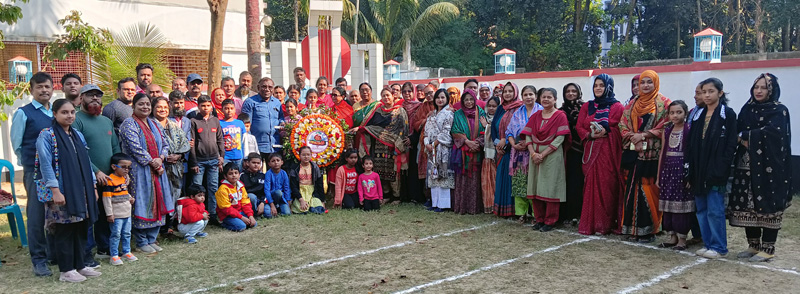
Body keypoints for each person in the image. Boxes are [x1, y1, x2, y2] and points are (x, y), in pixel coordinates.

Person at [36, 99, 101, 282]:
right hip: (62, 189)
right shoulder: (47, 135)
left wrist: (93, 186)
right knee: (65, 228)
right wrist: (55, 190)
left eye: (72, 112)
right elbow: (45, 164)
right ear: (54, 114)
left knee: (80, 226)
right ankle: (66, 270)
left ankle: (80, 265)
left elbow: (86, 161)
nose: (69, 116)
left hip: (82, 189)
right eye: (64, 112)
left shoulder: (77, 135)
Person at [729, 73, 792, 262]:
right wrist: (743, 136)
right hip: (745, 166)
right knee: (748, 205)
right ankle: (753, 245)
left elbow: (775, 134)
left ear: (771, 90)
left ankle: (768, 248)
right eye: (756, 87)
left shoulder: (779, 110)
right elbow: (736, 131)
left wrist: (747, 135)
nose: (758, 91)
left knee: (768, 204)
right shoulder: (747, 109)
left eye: (763, 87)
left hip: (769, 167)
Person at [686, 77, 738, 259]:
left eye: (711, 91)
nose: (707, 95)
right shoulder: (698, 114)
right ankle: (707, 243)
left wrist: (722, 167)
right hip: (698, 168)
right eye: (704, 92)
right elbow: (691, 143)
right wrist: (689, 167)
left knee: (715, 209)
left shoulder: (727, 115)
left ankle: (719, 246)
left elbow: (731, 144)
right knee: (701, 208)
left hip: (716, 169)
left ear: (720, 93)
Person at [11, 72, 55, 277]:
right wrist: (29, 164)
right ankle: (39, 259)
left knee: (57, 213)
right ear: (32, 90)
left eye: (47, 86)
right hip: (35, 172)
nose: (44, 90)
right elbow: (17, 144)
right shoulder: (24, 113)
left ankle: (54, 254)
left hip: (58, 171)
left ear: (53, 88)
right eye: (40, 87)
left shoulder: (55, 112)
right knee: (37, 215)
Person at [619, 70, 671, 243]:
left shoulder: (664, 104)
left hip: (652, 155)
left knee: (648, 189)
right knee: (632, 189)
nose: (645, 85)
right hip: (633, 153)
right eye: (642, 82)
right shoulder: (633, 103)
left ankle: (650, 230)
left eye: (649, 82)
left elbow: (667, 125)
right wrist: (632, 136)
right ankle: (631, 229)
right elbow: (622, 124)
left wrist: (644, 135)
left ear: (655, 83)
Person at [119, 93, 174, 253]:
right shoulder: (129, 124)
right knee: (143, 202)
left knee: (159, 201)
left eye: (147, 104)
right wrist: (154, 162)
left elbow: (164, 143)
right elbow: (135, 147)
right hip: (140, 171)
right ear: (133, 106)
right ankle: (141, 241)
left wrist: (161, 157)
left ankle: (152, 238)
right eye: (141, 104)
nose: (145, 107)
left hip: (157, 170)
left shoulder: (154, 123)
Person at [72, 84, 120, 265]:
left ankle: (104, 247)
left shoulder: (106, 121)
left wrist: (118, 170)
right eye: (90, 95)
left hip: (109, 177)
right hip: (88, 177)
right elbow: (79, 151)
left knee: (105, 212)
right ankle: (86, 253)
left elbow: (115, 147)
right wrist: (96, 171)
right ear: (81, 98)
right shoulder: (77, 120)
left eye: (98, 96)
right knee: (89, 215)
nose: (94, 99)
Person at [577, 74, 624, 236]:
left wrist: (608, 130)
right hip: (590, 151)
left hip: (608, 153)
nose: (598, 88)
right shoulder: (587, 106)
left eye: (601, 85)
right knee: (590, 187)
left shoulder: (617, 107)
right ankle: (590, 224)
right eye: (596, 85)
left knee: (607, 187)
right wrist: (590, 135)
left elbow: (620, 128)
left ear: (608, 87)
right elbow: (579, 127)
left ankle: (605, 224)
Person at [521, 88, 570, 232]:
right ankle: (539, 219)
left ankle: (550, 221)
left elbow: (560, 138)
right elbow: (528, 134)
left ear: (555, 99)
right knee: (535, 186)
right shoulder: (536, 115)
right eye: (544, 97)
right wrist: (533, 153)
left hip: (552, 156)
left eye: (549, 97)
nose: (546, 99)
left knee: (550, 188)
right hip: (534, 156)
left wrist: (543, 154)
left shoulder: (560, 116)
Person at [352, 89, 409, 203]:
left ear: (393, 96)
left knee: (393, 171)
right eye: (383, 96)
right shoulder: (377, 111)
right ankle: (386, 195)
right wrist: (361, 129)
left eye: (388, 95)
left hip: (394, 145)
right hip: (379, 145)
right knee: (380, 169)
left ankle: (396, 197)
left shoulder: (400, 110)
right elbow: (372, 126)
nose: (386, 98)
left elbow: (404, 128)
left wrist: (400, 141)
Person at [656, 100, 693, 251]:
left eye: (679, 112)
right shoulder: (666, 131)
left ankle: (682, 240)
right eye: (672, 112)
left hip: (681, 171)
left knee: (681, 206)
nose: (675, 115)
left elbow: (692, 154)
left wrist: (689, 175)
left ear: (685, 113)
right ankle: (672, 237)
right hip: (667, 171)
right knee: (668, 205)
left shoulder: (689, 129)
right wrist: (659, 176)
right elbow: (662, 154)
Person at [508, 86, 542, 222]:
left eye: (531, 94)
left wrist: (529, 144)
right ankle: (521, 212)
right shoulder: (517, 113)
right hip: (519, 154)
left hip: (535, 152)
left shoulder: (541, 111)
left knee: (534, 183)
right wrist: (514, 145)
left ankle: (535, 213)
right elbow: (509, 132)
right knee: (519, 183)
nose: (528, 97)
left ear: (535, 95)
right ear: (522, 97)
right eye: (525, 95)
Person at [189, 95, 225, 223]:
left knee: (213, 187)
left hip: (214, 160)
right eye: (203, 105)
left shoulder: (215, 120)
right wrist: (193, 162)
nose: (205, 108)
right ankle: (196, 214)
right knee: (197, 188)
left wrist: (221, 157)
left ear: (211, 106)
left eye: (208, 105)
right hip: (199, 161)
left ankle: (213, 214)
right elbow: (191, 144)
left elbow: (220, 140)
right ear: (198, 106)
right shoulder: (193, 121)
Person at [450, 89, 486, 215]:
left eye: (471, 99)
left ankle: (474, 207)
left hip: (477, 151)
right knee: (462, 179)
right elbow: (455, 131)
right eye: (466, 100)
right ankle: (462, 206)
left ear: (475, 99)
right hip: (462, 153)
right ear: (462, 101)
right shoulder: (458, 114)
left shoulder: (481, 113)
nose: (469, 102)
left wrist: (477, 143)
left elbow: (485, 130)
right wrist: (467, 142)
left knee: (475, 180)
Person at [492, 82, 524, 217]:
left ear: (516, 92)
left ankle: (515, 211)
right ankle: (502, 209)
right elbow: (493, 127)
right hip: (500, 149)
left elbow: (519, 129)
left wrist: (506, 144)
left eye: (511, 91)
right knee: (501, 178)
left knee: (513, 179)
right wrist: (497, 144)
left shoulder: (520, 108)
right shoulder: (500, 108)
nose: (507, 94)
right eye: (505, 91)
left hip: (514, 149)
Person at [151, 97, 190, 210]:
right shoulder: (149, 125)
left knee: (175, 193)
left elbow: (185, 143)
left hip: (175, 167)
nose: (162, 110)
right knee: (159, 194)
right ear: (153, 109)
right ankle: (161, 223)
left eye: (165, 107)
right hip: (157, 166)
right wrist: (163, 157)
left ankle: (171, 220)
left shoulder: (173, 125)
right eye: (159, 107)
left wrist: (179, 155)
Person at [103, 153, 138, 266]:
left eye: (128, 167)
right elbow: (107, 199)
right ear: (114, 167)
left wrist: (129, 198)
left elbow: (124, 191)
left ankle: (126, 251)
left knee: (127, 233)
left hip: (126, 212)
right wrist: (109, 213)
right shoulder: (110, 180)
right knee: (116, 234)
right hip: (116, 213)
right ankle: (114, 255)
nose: (126, 170)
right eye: (123, 167)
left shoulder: (123, 179)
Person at [424, 89, 455, 212]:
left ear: (447, 99)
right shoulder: (431, 115)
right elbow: (426, 131)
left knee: (443, 174)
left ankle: (443, 204)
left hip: (442, 148)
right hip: (431, 149)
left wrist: (435, 143)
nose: (440, 100)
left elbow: (447, 131)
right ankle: (435, 202)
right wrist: (427, 144)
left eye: (443, 97)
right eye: (438, 97)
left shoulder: (449, 113)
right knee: (433, 175)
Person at [241, 77, 284, 162]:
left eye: (270, 87)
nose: (267, 89)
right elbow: (246, 124)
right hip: (257, 145)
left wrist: (282, 123)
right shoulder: (250, 102)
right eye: (264, 87)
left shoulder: (277, 102)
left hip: (274, 145)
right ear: (258, 88)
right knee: (256, 171)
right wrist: (249, 143)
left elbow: (280, 118)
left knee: (274, 171)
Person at [560, 83, 585, 224]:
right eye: (568, 91)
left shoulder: (585, 108)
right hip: (564, 151)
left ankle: (578, 213)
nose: (570, 93)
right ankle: (567, 213)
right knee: (566, 182)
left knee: (578, 182)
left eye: (574, 91)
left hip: (581, 151)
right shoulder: (561, 110)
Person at [216, 162, 257, 231]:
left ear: (239, 175)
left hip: (239, 212)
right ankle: (223, 223)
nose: (234, 175)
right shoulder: (223, 189)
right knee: (241, 227)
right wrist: (241, 217)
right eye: (230, 174)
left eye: (236, 173)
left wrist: (250, 216)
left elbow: (245, 202)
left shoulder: (240, 186)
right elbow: (226, 209)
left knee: (253, 224)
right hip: (227, 215)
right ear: (225, 176)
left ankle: (241, 220)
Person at [289, 146, 326, 214]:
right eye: (303, 155)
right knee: (302, 210)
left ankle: (312, 207)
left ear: (311, 155)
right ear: (299, 155)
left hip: (313, 193)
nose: (306, 157)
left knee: (318, 209)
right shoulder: (294, 168)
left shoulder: (315, 167)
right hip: (300, 193)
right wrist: (301, 200)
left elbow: (320, 185)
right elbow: (293, 186)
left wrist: (322, 201)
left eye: (308, 154)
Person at [481, 96, 500, 214]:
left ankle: (496, 204)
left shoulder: (499, 118)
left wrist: (486, 126)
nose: (491, 108)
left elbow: (498, 133)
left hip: (496, 153)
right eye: (490, 106)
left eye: (494, 106)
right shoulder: (484, 117)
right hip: (486, 155)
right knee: (487, 180)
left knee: (495, 179)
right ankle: (488, 205)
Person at [220, 99, 246, 169]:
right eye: (226, 108)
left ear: (235, 109)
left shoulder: (240, 123)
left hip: (238, 156)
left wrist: (245, 157)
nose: (229, 111)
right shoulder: (219, 123)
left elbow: (244, 140)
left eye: (231, 108)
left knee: (237, 177)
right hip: (225, 157)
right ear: (222, 110)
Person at [240, 153, 266, 217]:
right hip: (248, 200)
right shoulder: (242, 176)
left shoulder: (263, 176)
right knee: (251, 196)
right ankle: (253, 214)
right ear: (248, 163)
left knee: (268, 214)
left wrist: (262, 203)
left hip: (261, 200)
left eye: (258, 163)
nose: (256, 165)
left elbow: (266, 191)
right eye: (253, 163)